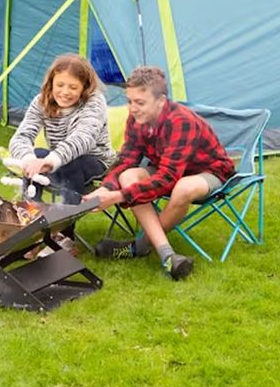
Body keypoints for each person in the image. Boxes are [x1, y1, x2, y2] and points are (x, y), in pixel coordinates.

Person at [84, 66, 235, 281]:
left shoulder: (181, 121)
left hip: (207, 171)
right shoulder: (136, 119)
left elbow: (168, 178)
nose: (133, 108)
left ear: (161, 101)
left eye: (140, 102)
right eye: (129, 101)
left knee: (183, 188)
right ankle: (168, 255)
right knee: (128, 175)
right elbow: (126, 159)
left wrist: (118, 197)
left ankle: (139, 246)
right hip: (167, 165)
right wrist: (105, 189)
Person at [7, 53, 117, 210]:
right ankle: (30, 213)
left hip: (94, 160)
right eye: (59, 85)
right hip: (59, 159)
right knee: (36, 154)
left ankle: (64, 227)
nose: (65, 92)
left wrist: (51, 161)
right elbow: (21, 137)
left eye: (73, 87)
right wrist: (29, 159)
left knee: (71, 164)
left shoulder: (94, 101)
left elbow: (83, 139)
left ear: (85, 88)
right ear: (51, 83)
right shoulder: (41, 101)